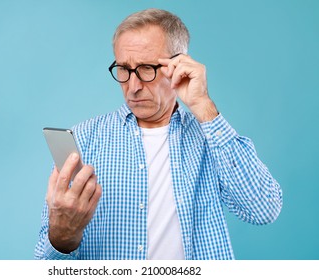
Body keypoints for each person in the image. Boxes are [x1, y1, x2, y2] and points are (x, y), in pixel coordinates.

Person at [34, 8, 282, 260]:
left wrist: (204, 108)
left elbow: (263, 209)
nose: (133, 86)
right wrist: (63, 236)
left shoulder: (212, 138)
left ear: (179, 65)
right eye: (123, 69)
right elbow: (45, 265)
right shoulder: (83, 139)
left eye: (146, 68)